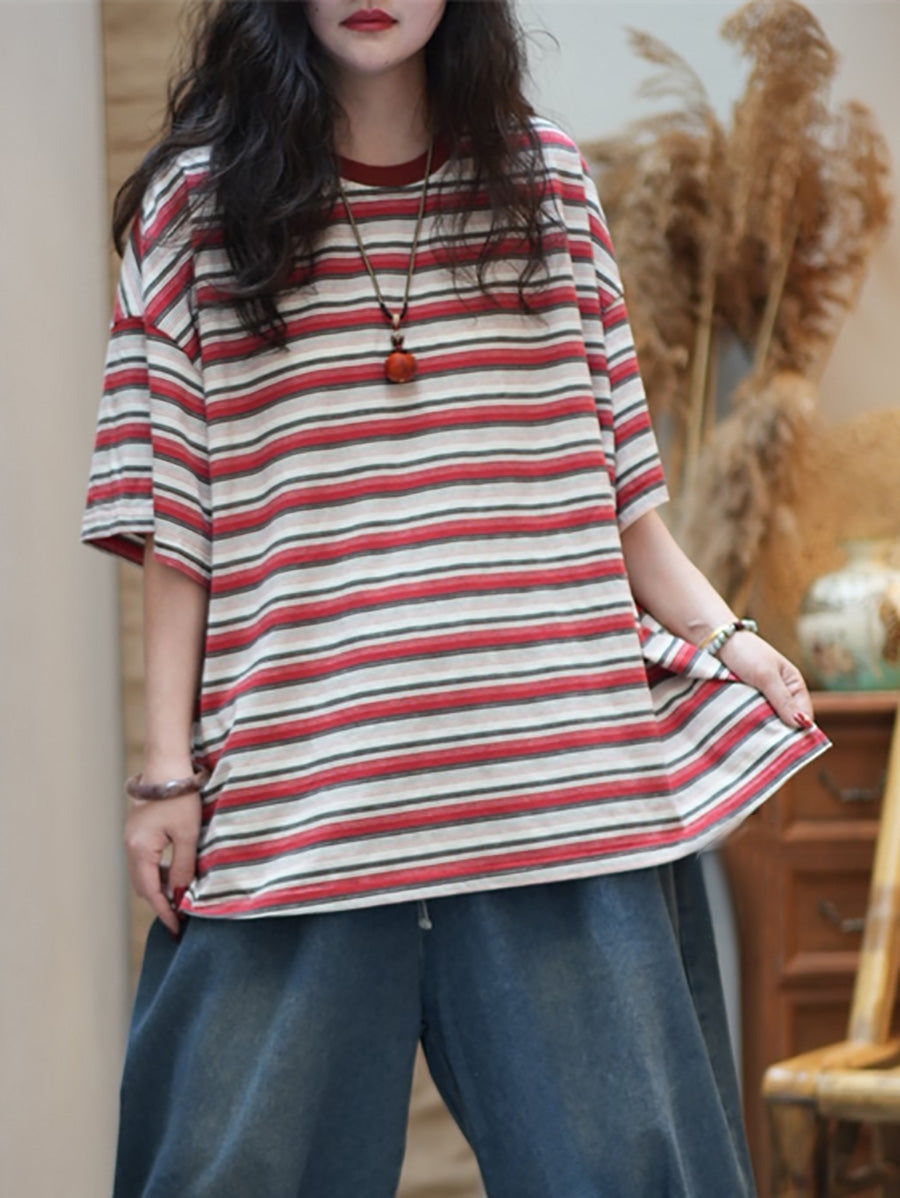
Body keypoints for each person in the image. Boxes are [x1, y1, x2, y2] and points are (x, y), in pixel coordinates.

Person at [81, 2, 828, 1195]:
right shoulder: (193, 211)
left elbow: (624, 501)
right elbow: (181, 523)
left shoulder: (549, 187)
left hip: (558, 793)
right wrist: (167, 772)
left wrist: (728, 638)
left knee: (632, 1176)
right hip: (304, 794)